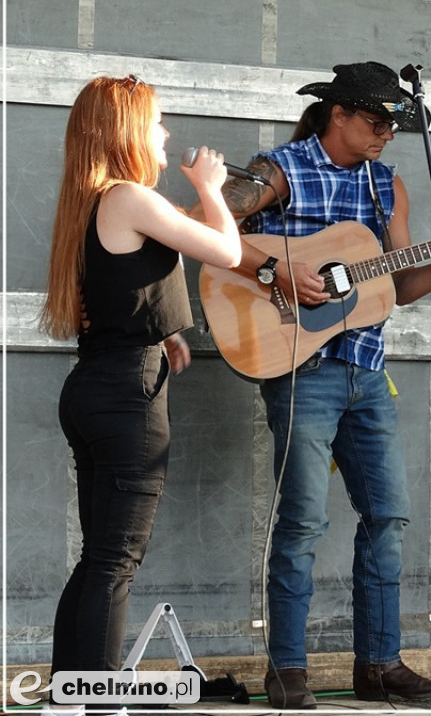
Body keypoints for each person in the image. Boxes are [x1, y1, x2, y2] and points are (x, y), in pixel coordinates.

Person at [215, 61, 431, 708]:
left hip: (367, 369)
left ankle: (378, 663)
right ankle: (287, 669)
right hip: (297, 366)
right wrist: (278, 271)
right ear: (337, 114)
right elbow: (210, 227)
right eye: (373, 122)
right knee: (304, 522)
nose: (384, 134)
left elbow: (396, 286)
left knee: (388, 515)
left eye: (391, 126)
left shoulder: (386, 187)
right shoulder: (279, 170)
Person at [39, 76, 241, 713]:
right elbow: (228, 250)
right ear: (126, 131)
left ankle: (67, 694)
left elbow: (125, 287)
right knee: (115, 563)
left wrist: (167, 335)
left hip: (99, 384)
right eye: (155, 123)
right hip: (125, 397)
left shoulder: (96, 203)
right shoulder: (130, 195)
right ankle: (96, 701)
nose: (165, 136)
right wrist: (210, 190)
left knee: (97, 559)